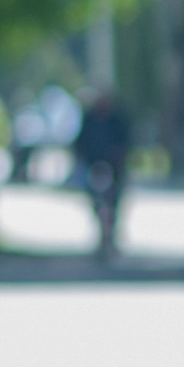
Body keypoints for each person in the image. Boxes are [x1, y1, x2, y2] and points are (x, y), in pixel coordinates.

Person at [74, 89, 132, 258]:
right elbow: (80, 143)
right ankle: (102, 238)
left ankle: (111, 237)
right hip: (94, 168)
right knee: (97, 205)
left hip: (114, 169)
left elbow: (126, 142)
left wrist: (118, 157)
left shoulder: (117, 120)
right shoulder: (89, 119)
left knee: (113, 205)